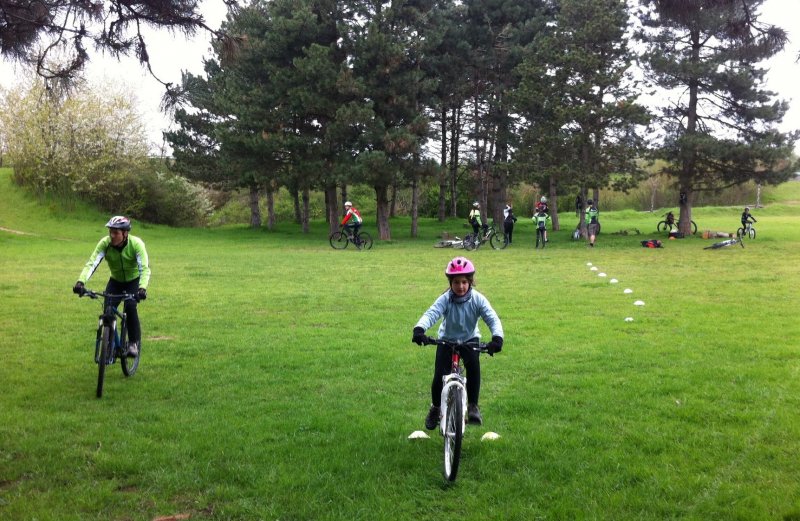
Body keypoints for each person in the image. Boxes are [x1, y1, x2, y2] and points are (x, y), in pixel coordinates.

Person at [412, 257, 504, 429]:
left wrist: (497, 338)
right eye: (456, 282)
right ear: (450, 283)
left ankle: (473, 406)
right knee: (439, 376)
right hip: (447, 340)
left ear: (470, 282)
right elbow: (431, 314)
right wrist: (419, 329)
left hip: (470, 340)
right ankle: (436, 408)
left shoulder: (478, 299)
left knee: (474, 368)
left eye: (464, 282)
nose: (460, 286)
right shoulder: (445, 299)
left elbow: (492, 318)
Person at [72, 216, 150, 357]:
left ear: (125, 234)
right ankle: (109, 344)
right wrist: (80, 282)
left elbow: (144, 268)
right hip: (115, 281)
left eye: (116, 233)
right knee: (108, 310)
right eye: (111, 232)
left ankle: (133, 343)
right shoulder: (105, 243)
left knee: (130, 307)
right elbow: (92, 263)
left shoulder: (136, 244)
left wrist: (142, 288)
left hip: (133, 281)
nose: (112, 236)